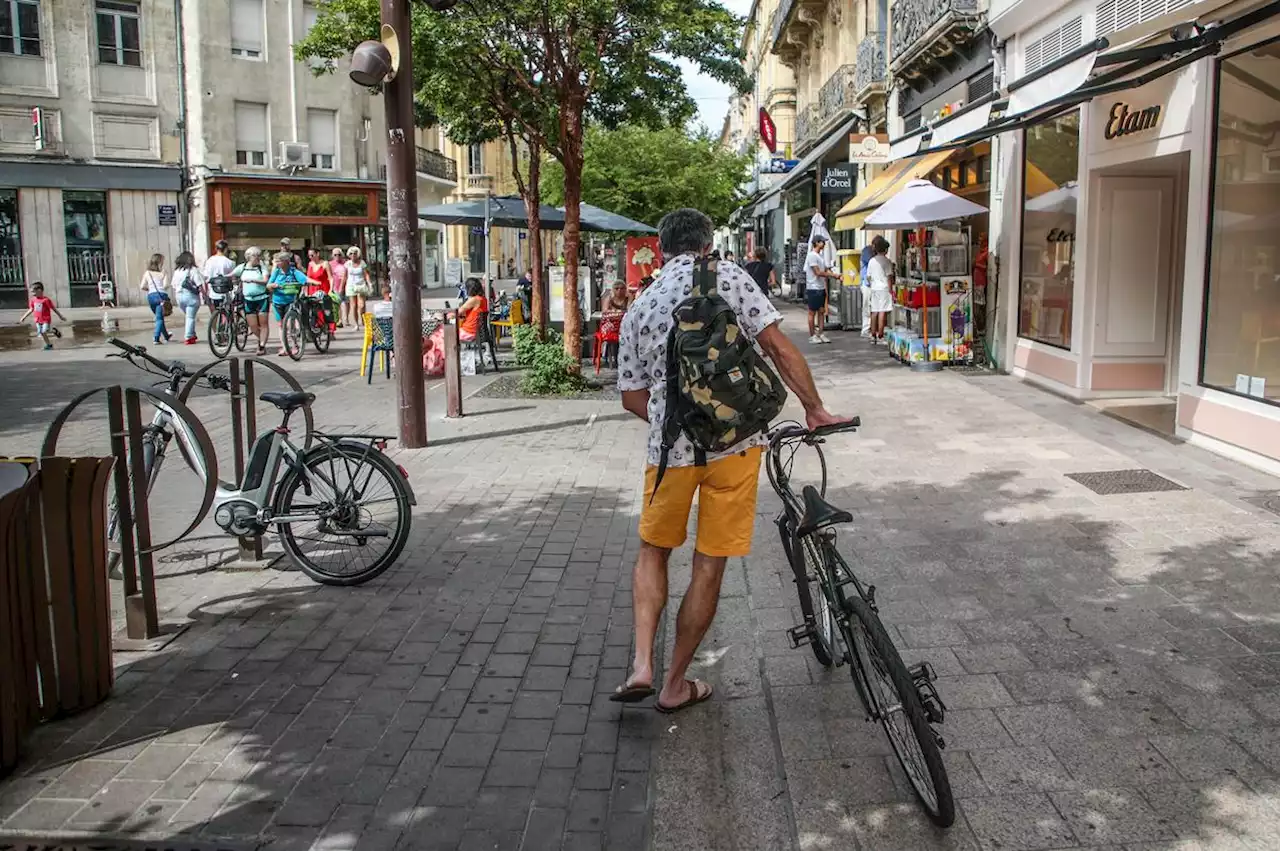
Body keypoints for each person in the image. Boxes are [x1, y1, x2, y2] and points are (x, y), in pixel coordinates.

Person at [612, 208, 847, 713]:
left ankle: (642, 665)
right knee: (708, 564)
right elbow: (779, 349)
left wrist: (675, 419)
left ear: (661, 247)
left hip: (670, 453)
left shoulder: (641, 305)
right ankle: (676, 683)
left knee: (653, 552)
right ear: (704, 244)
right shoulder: (730, 278)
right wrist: (814, 407)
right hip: (735, 447)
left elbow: (632, 396)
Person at [267, 251, 321, 356]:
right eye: (276, 261)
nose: (277, 263)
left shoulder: (293, 271)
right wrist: (275, 285)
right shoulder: (276, 272)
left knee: (289, 324)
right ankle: (284, 347)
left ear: (286, 261)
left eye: (279, 261)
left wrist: (315, 282)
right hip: (277, 301)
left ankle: (294, 345)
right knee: (281, 325)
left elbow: (304, 279)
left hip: (290, 301)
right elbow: (268, 285)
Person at [233, 246, 271, 354]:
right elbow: (232, 274)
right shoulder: (243, 267)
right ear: (249, 257)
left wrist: (254, 281)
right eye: (256, 255)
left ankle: (262, 345)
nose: (258, 257)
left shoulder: (262, 267)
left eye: (260, 255)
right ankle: (261, 338)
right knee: (253, 326)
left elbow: (265, 281)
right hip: (248, 299)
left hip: (262, 298)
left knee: (263, 324)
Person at [805, 236, 839, 344]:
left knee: (821, 311)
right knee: (812, 312)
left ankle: (821, 333)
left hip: (821, 287)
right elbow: (818, 272)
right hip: (813, 287)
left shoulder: (820, 256)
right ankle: (812, 335)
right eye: (822, 242)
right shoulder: (812, 256)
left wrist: (833, 273)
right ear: (817, 243)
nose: (824, 244)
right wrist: (833, 275)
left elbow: (825, 269)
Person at [18, 282, 66, 351]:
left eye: (33, 292)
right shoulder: (33, 300)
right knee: (43, 332)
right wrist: (23, 317)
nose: (32, 294)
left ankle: (49, 343)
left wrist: (61, 316)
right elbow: (31, 309)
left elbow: (53, 308)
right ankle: (52, 337)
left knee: (43, 331)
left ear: (39, 290)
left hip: (46, 319)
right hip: (37, 320)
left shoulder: (46, 300)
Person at [172, 251, 206, 345]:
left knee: (188, 316)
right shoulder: (193, 270)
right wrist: (204, 294)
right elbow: (199, 284)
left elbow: (173, 285)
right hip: (191, 296)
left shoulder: (177, 271)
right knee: (190, 317)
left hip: (179, 296)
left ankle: (192, 334)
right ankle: (189, 336)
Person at [867, 236, 895, 344]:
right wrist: (891, 290)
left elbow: (868, 277)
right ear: (885, 249)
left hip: (874, 288)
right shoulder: (887, 261)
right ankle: (880, 334)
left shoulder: (871, 261)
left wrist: (872, 284)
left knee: (874, 311)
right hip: (884, 288)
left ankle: (873, 334)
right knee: (882, 311)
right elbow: (889, 277)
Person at [140, 253, 172, 344]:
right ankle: (156, 338)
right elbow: (166, 285)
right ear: (160, 262)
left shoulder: (147, 273)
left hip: (151, 296)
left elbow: (142, 286)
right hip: (161, 296)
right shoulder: (163, 272)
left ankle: (166, 335)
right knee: (159, 319)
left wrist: (150, 289)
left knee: (159, 317)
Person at [306, 248, 335, 333]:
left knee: (326, 310)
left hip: (323, 288)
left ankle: (330, 329)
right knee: (315, 310)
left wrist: (331, 290)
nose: (311, 257)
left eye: (312, 255)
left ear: (317, 254)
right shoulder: (310, 264)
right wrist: (305, 291)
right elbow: (307, 278)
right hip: (313, 289)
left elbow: (330, 278)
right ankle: (317, 327)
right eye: (309, 256)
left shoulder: (325, 263)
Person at [202, 240, 236, 310]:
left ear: (216, 248)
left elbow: (206, 276)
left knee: (215, 311)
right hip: (225, 291)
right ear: (226, 249)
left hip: (213, 290)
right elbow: (232, 277)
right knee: (228, 310)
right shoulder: (229, 262)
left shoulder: (209, 261)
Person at [345, 246, 371, 326]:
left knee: (362, 305)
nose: (353, 255)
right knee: (354, 305)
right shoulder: (347, 264)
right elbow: (345, 276)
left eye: (355, 253)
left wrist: (369, 283)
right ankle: (356, 324)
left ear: (358, 254)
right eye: (351, 253)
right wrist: (341, 287)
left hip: (361, 285)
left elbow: (366, 274)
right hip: (351, 286)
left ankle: (363, 320)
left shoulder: (362, 263)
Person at [456, 277, 488, 342]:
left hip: (468, 332)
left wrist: (442, 315)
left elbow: (458, 312)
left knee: (444, 333)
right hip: (478, 332)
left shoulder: (474, 299)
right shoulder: (483, 299)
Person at [328, 248, 350, 328]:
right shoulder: (330, 264)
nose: (337, 256)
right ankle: (340, 319)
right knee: (338, 303)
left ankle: (346, 318)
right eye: (335, 255)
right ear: (332, 256)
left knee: (347, 303)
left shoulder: (346, 263)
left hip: (347, 285)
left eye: (339, 254)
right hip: (336, 286)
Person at [859, 241, 877, 338]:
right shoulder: (867, 251)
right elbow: (871, 262)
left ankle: (872, 328)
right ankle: (866, 329)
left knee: (873, 307)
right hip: (866, 283)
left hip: (873, 284)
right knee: (867, 306)